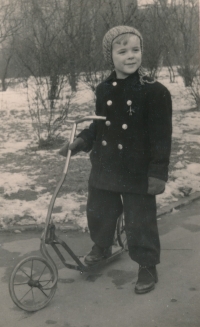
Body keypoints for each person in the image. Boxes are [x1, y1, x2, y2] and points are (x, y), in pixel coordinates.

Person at [59, 25, 172, 294]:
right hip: (106, 164)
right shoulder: (104, 88)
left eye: (136, 49)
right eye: (122, 51)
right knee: (99, 210)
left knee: (140, 220)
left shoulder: (155, 91)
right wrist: (82, 142)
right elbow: (100, 126)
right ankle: (102, 244)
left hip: (138, 168)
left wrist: (158, 172)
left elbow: (161, 137)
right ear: (110, 56)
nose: (130, 56)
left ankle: (147, 264)